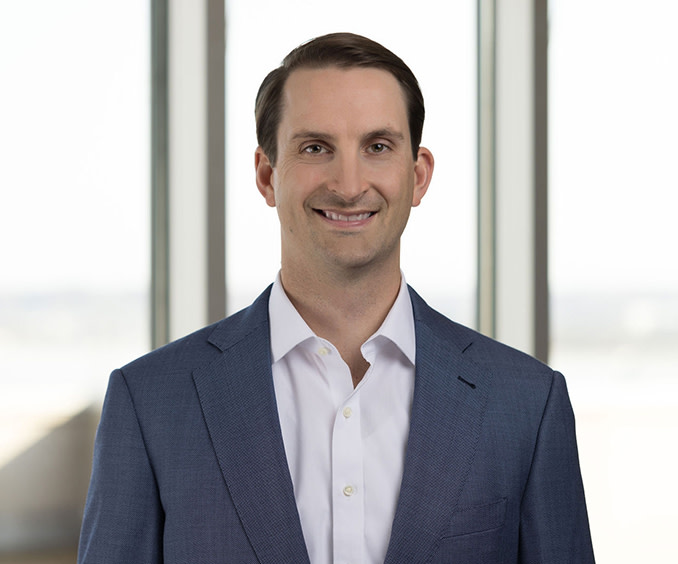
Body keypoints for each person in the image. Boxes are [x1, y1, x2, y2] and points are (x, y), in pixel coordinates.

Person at [78, 32, 595, 564]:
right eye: (315, 148)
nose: (349, 186)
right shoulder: (150, 402)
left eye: (377, 147)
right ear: (267, 176)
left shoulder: (527, 404)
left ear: (418, 176)